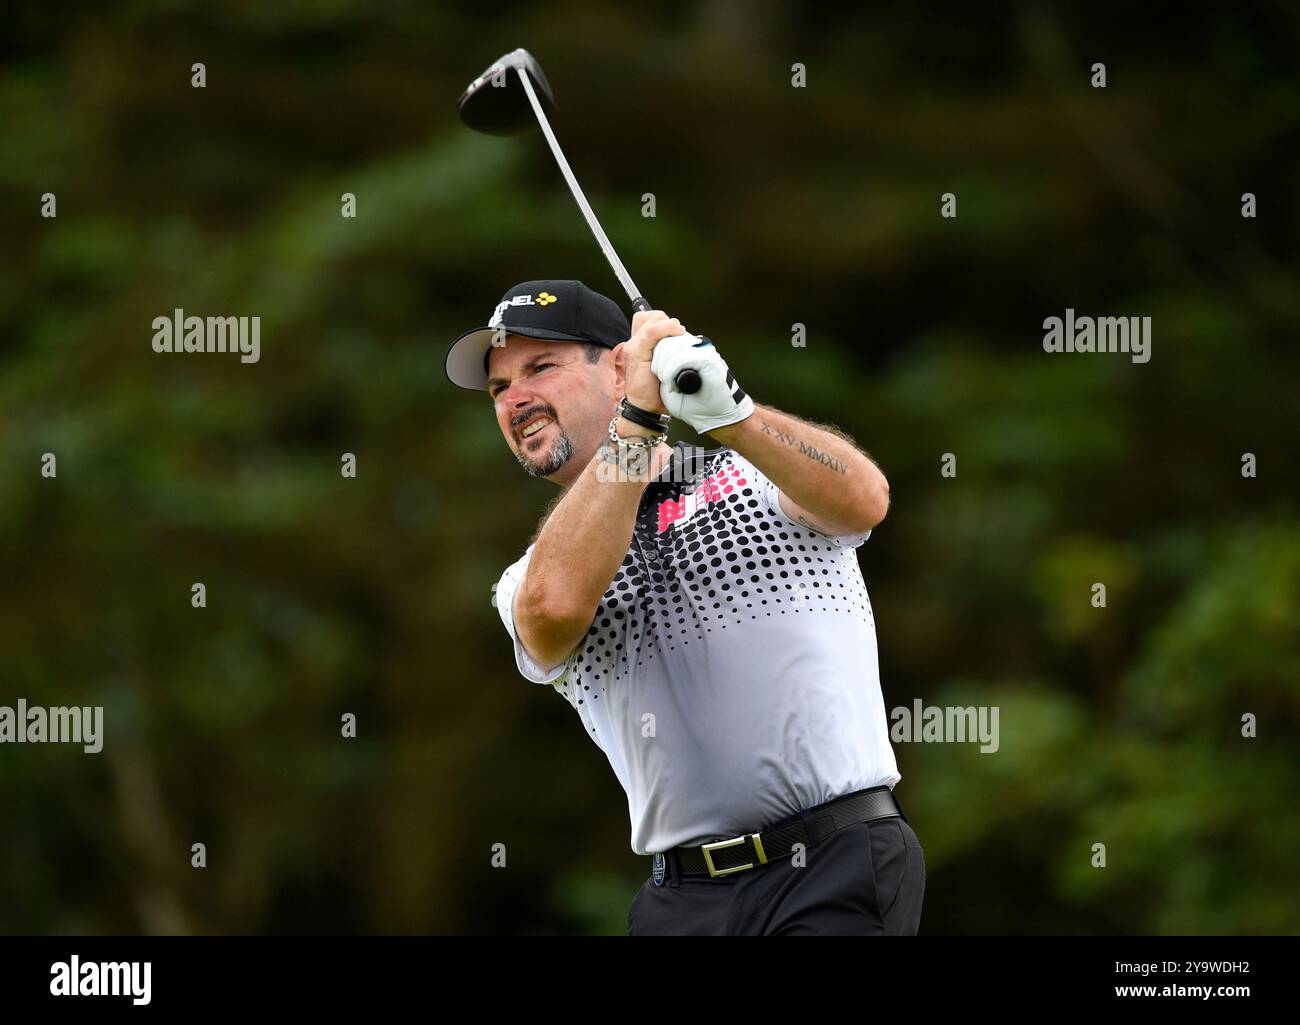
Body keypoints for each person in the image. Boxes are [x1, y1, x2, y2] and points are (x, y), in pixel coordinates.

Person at [445, 279, 925, 935]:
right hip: (681, 900)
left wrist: (737, 417)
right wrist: (638, 419)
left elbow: (864, 497)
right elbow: (555, 608)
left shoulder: (749, 476)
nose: (515, 397)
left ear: (619, 366)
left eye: (540, 367)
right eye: (499, 388)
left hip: (832, 861)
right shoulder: (529, 576)